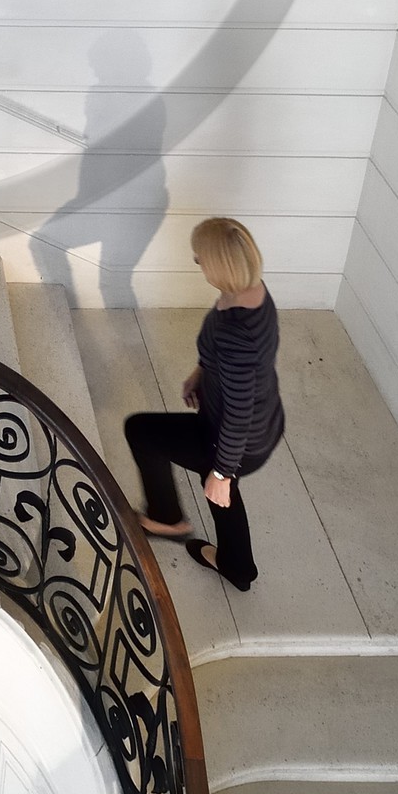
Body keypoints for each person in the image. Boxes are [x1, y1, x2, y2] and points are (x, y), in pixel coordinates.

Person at [122, 216, 283, 592]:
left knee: (142, 432)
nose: (197, 264)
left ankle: (172, 522)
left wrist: (224, 472)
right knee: (211, 480)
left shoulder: (237, 333)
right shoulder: (250, 292)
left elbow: (238, 414)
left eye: (200, 260)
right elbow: (235, 367)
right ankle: (234, 563)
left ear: (219, 265)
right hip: (261, 422)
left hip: (237, 437)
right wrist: (201, 372)